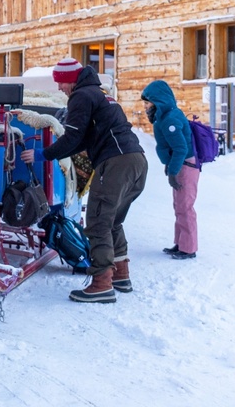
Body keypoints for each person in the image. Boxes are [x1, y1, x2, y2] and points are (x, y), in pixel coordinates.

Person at [21, 57, 148, 303]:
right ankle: (120, 275)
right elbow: (82, 138)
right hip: (137, 161)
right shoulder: (100, 95)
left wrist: (42, 154)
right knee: (112, 222)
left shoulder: (81, 96)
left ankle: (101, 283)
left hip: (115, 162)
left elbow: (72, 138)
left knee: (98, 222)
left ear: (70, 80)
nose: (59, 88)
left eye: (61, 83)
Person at [141, 80, 199, 260]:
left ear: (159, 101)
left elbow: (180, 148)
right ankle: (180, 243)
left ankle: (188, 249)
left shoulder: (170, 119)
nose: (145, 106)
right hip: (180, 164)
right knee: (179, 206)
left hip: (185, 166)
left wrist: (173, 171)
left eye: (147, 102)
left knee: (185, 207)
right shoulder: (166, 116)